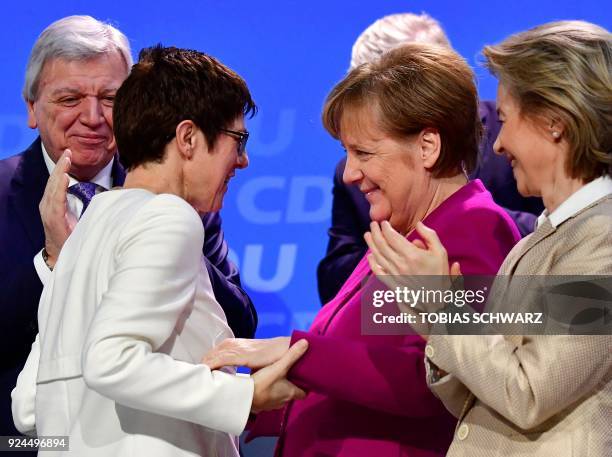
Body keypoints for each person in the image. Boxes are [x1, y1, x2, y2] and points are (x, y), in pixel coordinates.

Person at [203, 44, 521, 456]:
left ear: (427, 146)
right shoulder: (404, 233)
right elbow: (355, 365)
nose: (350, 174)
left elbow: (436, 378)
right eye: (346, 153)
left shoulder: (475, 228)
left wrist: (296, 353)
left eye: (364, 153)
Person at [11, 45, 307, 457]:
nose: (243, 161)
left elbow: (27, 408)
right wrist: (245, 395)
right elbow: (111, 361)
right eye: (237, 140)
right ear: (187, 137)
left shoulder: (85, 228)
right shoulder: (169, 217)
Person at [365, 21, 612, 457]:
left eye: (505, 119)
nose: (498, 146)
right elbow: (478, 397)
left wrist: (443, 304)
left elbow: (528, 393)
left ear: (554, 122)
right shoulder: (537, 240)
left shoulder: (603, 240)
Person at [317, 12, 544, 304]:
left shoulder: (510, 144)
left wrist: (452, 218)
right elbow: (336, 291)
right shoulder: (379, 232)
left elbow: (564, 320)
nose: (352, 171)